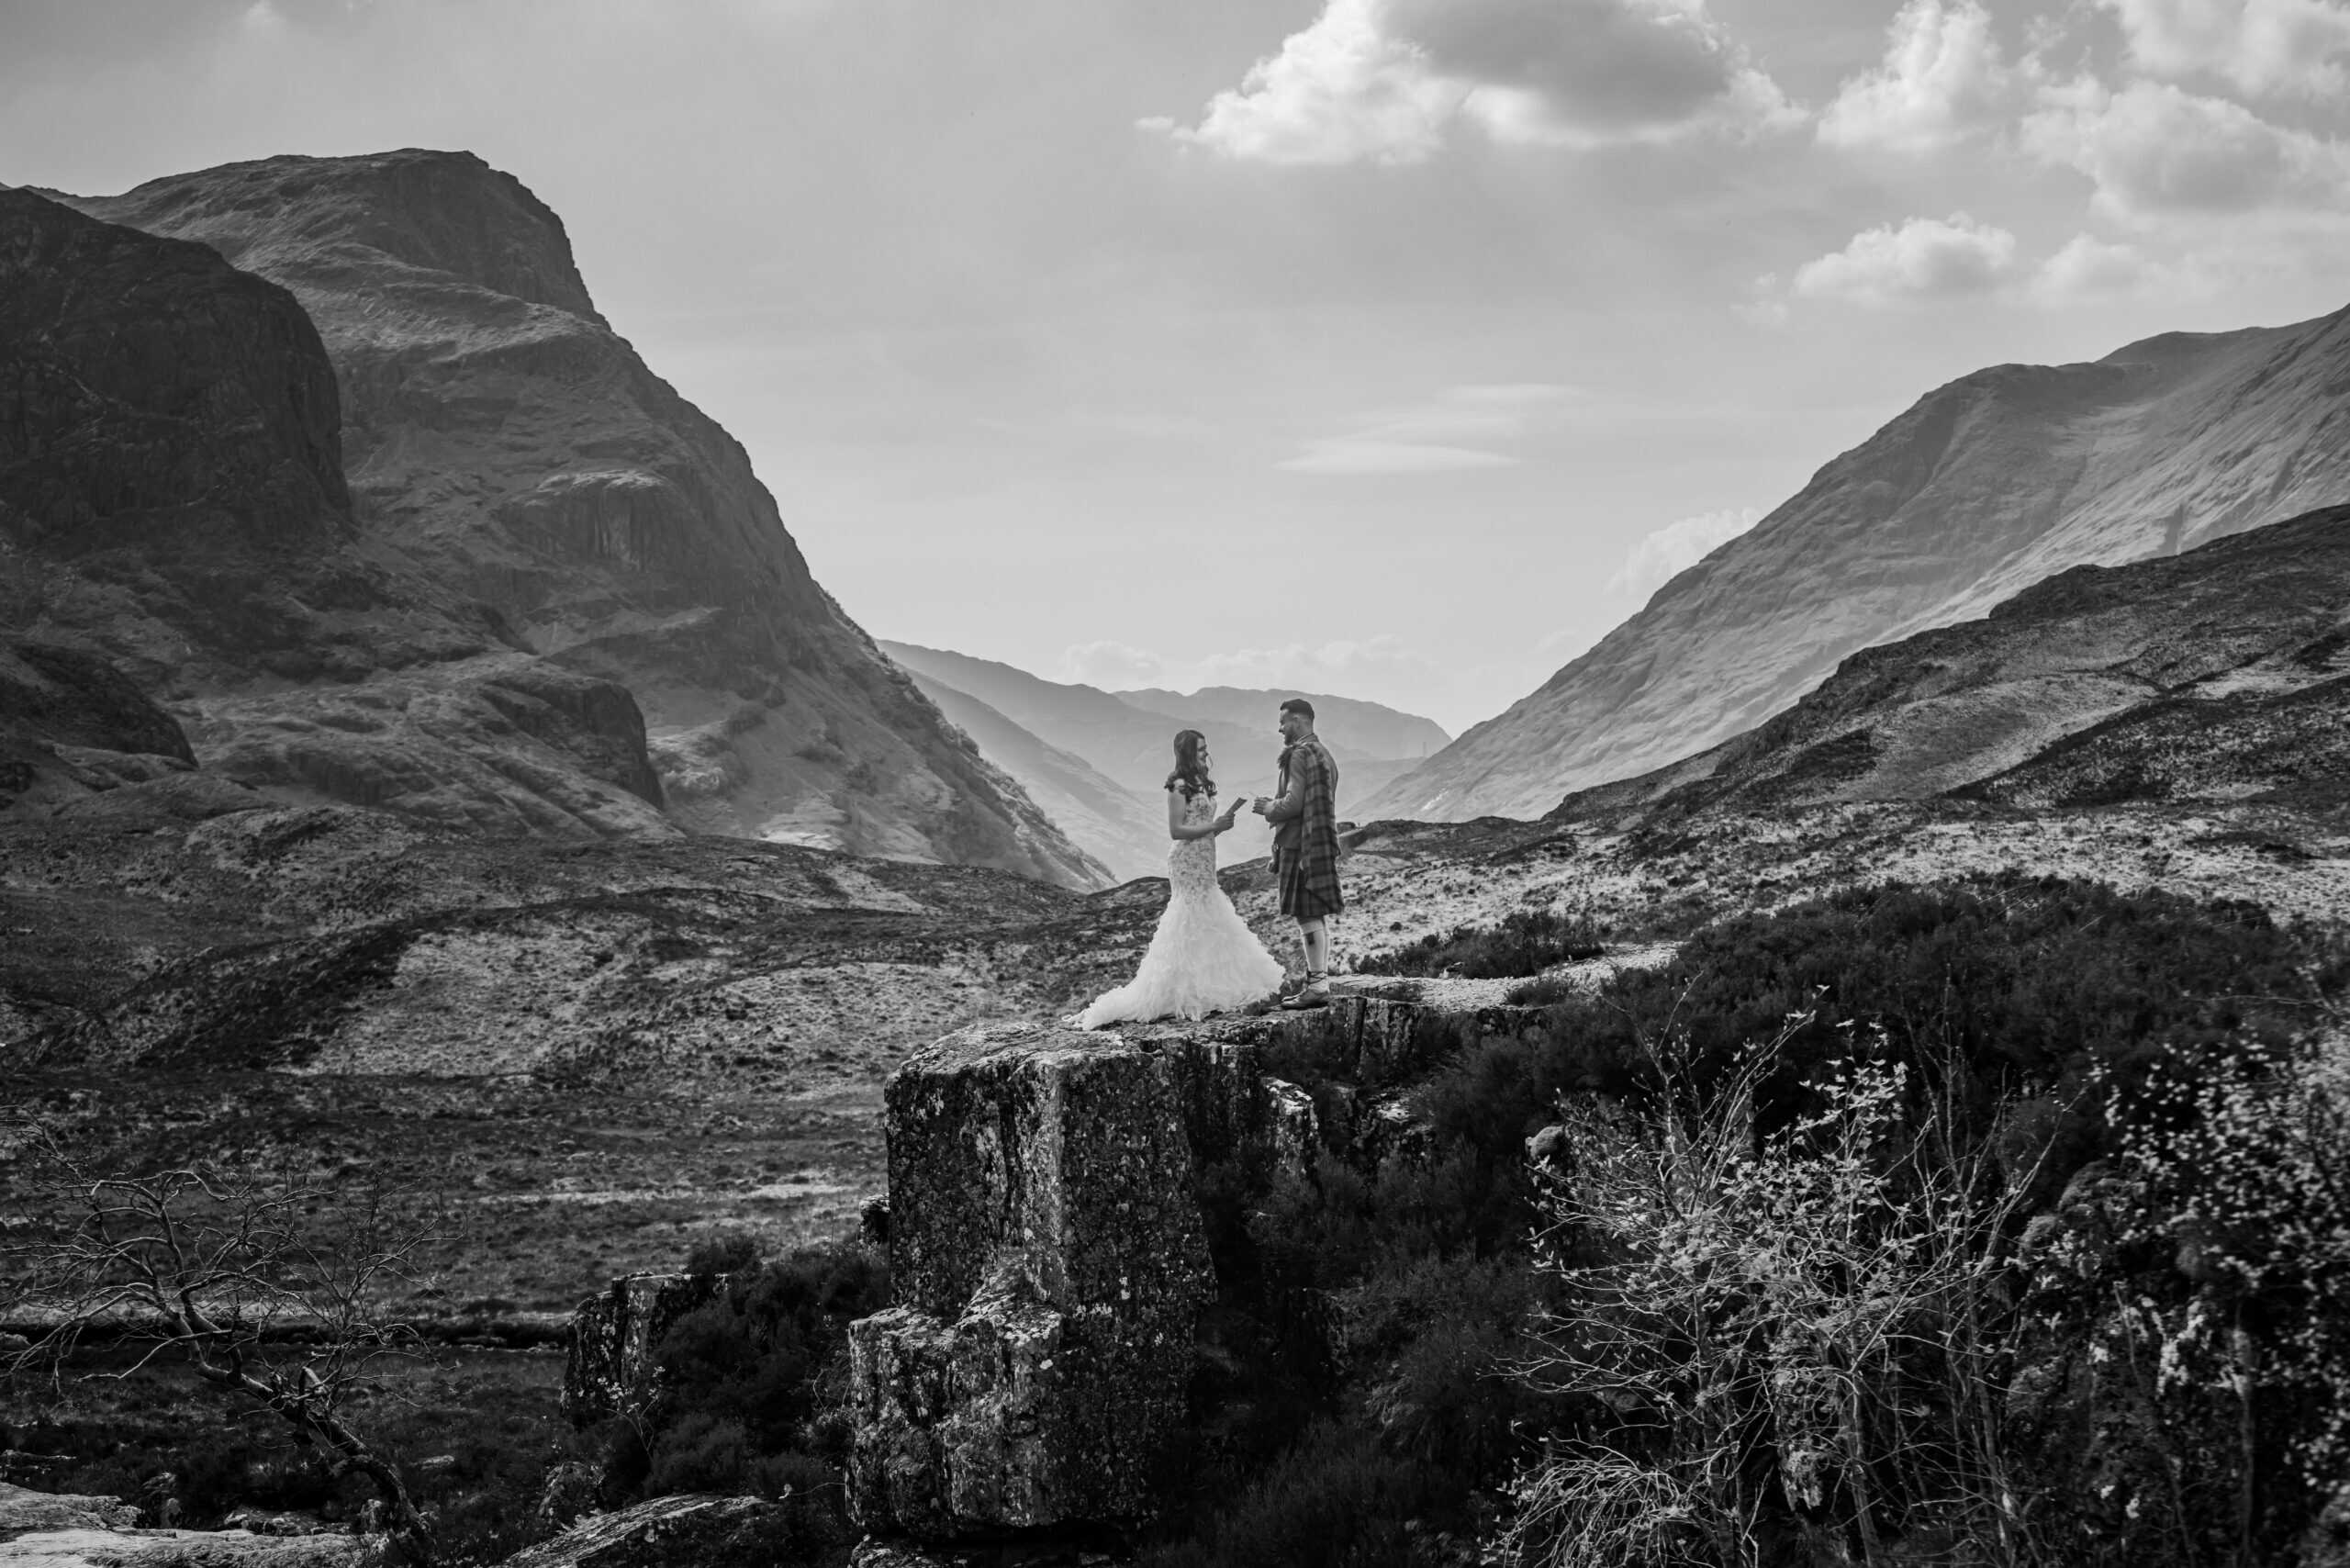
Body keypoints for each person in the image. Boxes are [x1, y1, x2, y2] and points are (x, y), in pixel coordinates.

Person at [1077, 729, 1285, 1027]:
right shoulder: (1178, 786)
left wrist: (1220, 827)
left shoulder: (1202, 783)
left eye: (1205, 748)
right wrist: (1213, 825)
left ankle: (1208, 986)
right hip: (1186, 859)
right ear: (1188, 753)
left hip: (1205, 856)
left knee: (1208, 916)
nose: (1205, 754)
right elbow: (1176, 830)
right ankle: (1179, 991)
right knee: (1189, 915)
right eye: (1200, 750)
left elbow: (1201, 825)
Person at [1252, 698, 1343, 1009]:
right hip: (1315, 841)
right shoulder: (1324, 755)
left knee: (1306, 915)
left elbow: (1293, 803)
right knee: (1313, 913)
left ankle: (1317, 985)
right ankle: (1319, 981)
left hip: (1299, 844)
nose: (1280, 728)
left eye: (1284, 722)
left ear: (1300, 721)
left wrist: (1267, 808)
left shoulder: (1299, 754)